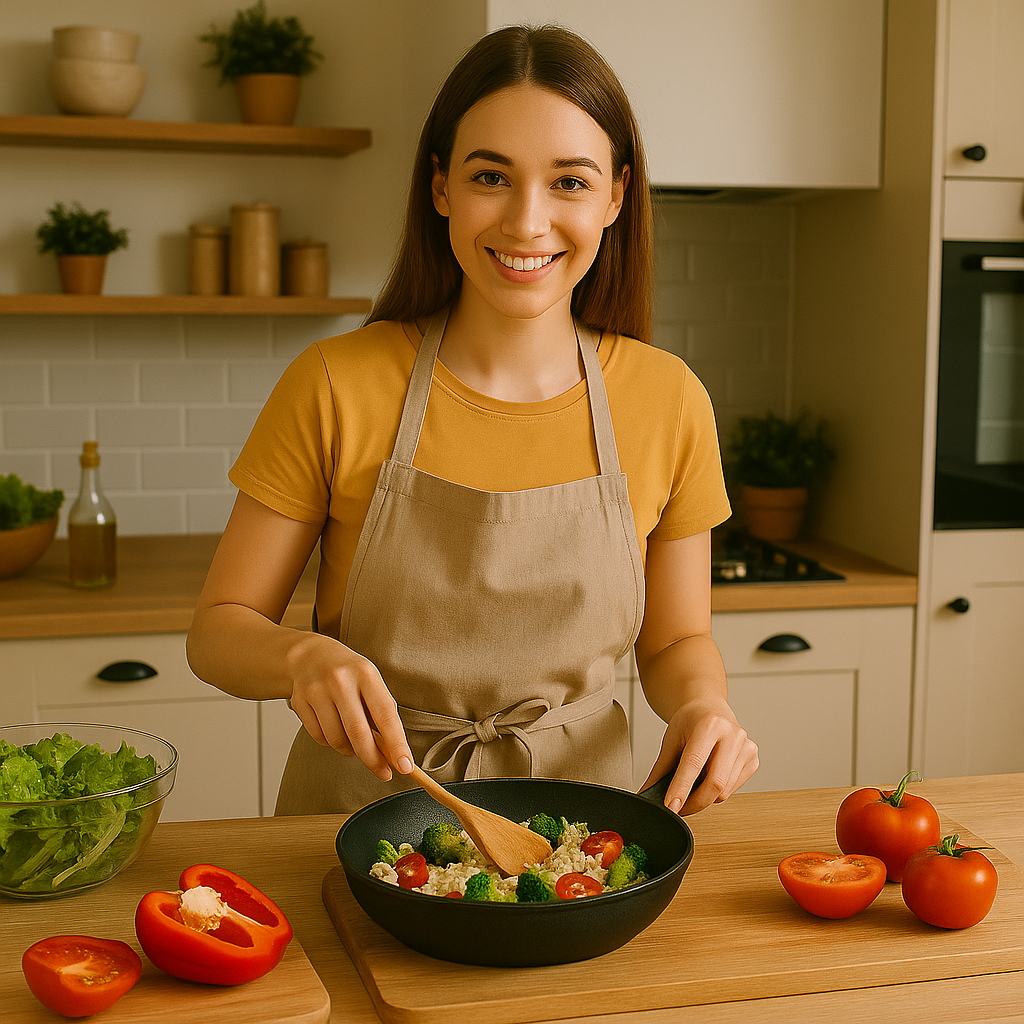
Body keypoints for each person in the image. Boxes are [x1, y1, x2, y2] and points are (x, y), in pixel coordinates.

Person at [186, 24, 758, 818]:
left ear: (616, 197)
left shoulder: (670, 399)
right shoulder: (334, 383)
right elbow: (219, 630)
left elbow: (673, 643)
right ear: (441, 187)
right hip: (355, 820)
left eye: (569, 182)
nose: (527, 223)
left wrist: (704, 706)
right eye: (492, 175)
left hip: (578, 833)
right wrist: (298, 656)